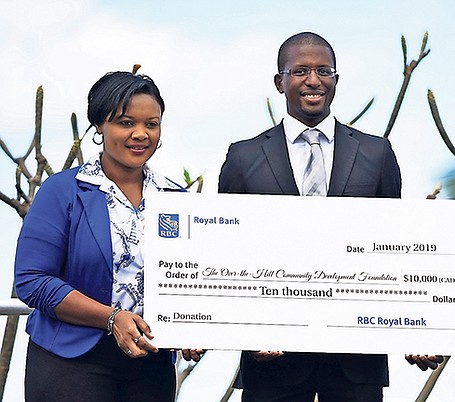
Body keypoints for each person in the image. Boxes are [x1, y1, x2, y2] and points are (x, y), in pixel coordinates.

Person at [218, 31, 401, 402]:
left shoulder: (377, 153)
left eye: (324, 70)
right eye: (300, 71)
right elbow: (225, 252)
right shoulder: (244, 156)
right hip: (270, 355)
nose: (313, 81)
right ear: (279, 81)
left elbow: (396, 249)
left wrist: (418, 331)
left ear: (336, 79)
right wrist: (245, 331)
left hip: (357, 358)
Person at [14, 71, 199, 402]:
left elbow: (193, 279)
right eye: (126, 123)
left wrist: (193, 327)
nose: (140, 134)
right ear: (99, 126)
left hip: (151, 365)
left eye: (151, 124)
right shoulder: (62, 191)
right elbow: (32, 280)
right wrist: (111, 318)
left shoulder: (177, 198)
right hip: (70, 360)